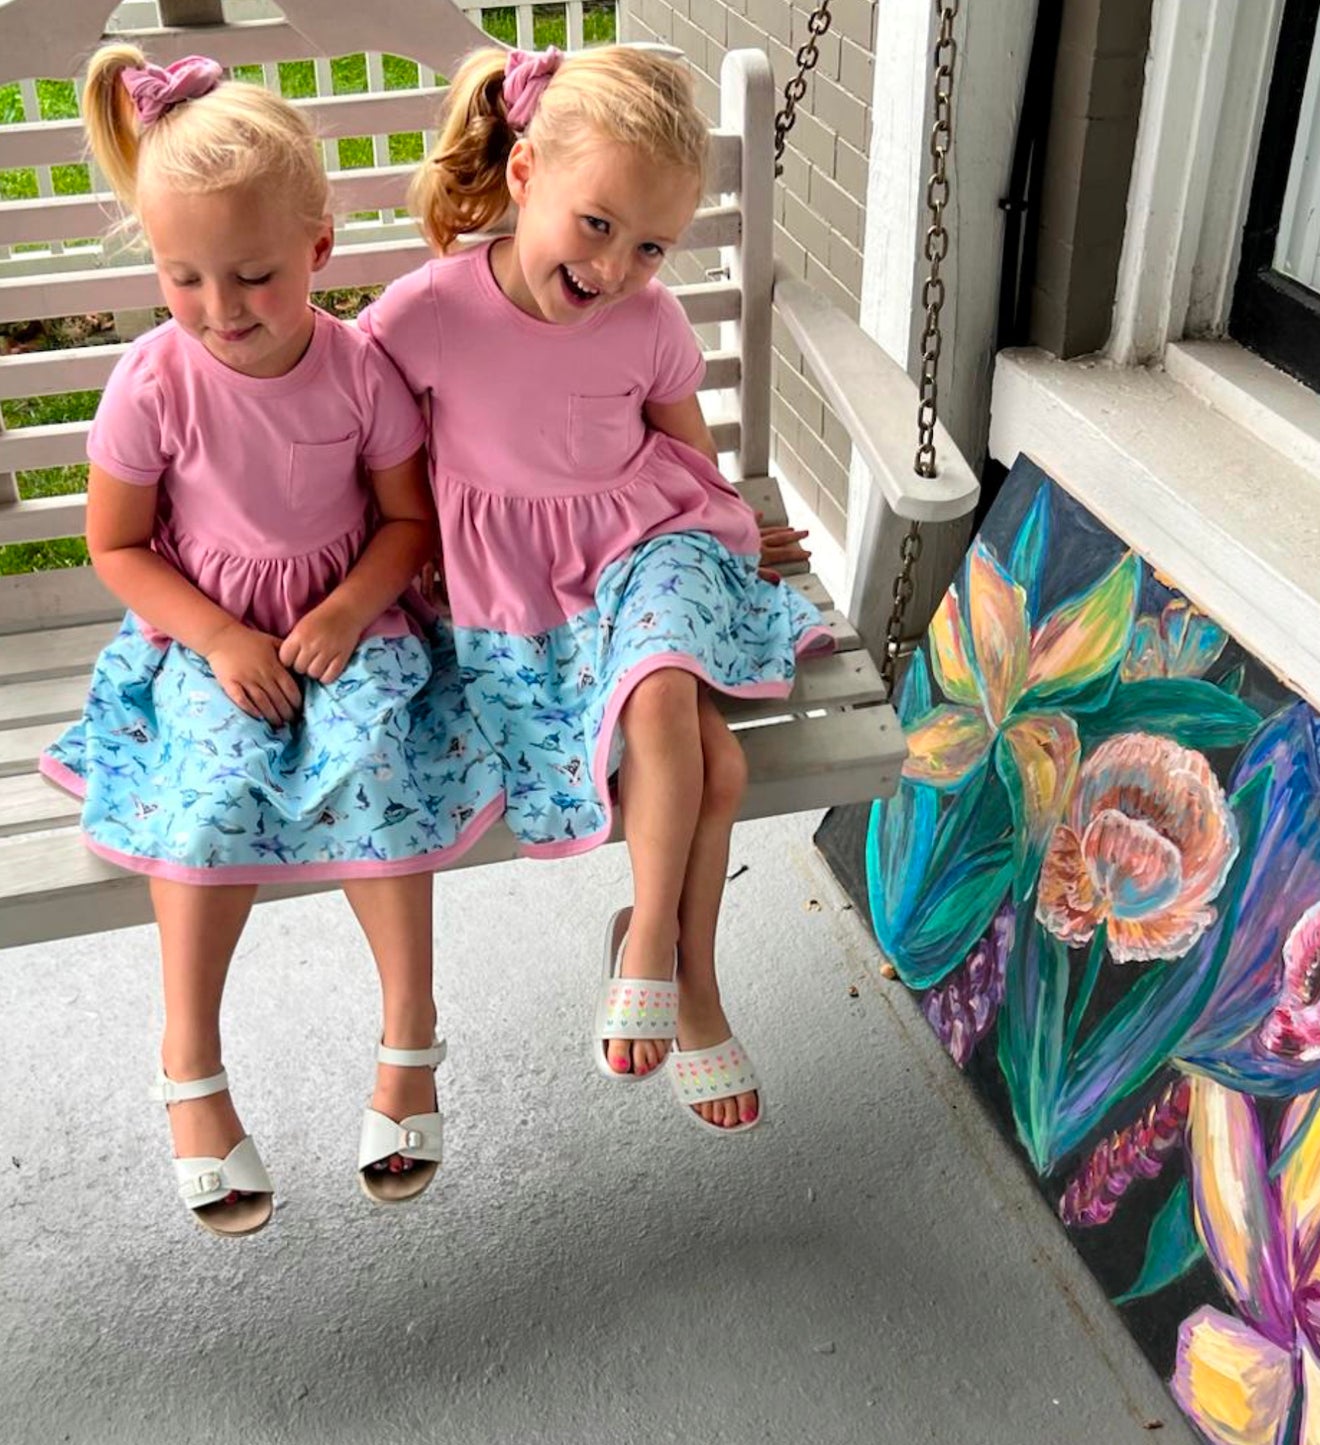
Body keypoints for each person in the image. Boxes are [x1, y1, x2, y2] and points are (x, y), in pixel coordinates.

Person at [41, 47, 505, 1234]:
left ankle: (411, 1039)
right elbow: (119, 547)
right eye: (181, 276)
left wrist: (351, 607)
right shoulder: (154, 381)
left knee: (377, 765)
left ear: (317, 250)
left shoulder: (358, 372)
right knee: (207, 791)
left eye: (249, 275)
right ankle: (188, 1066)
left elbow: (408, 520)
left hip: (348, 621)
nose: (217, 309)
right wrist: (216, 638)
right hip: (200, 638)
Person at [361, 45, 831, 1135]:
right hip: (511, 581)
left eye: (651, 245)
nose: (617, 266)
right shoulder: (425, 313)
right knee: (710, 763)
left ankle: (648, 945)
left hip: (643, 541)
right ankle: (692, 980)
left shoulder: (649, 321)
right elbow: (365, 448)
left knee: (666, 693)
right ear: (524, 174)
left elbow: (685, 454)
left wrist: (729, 532)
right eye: (598, 224)